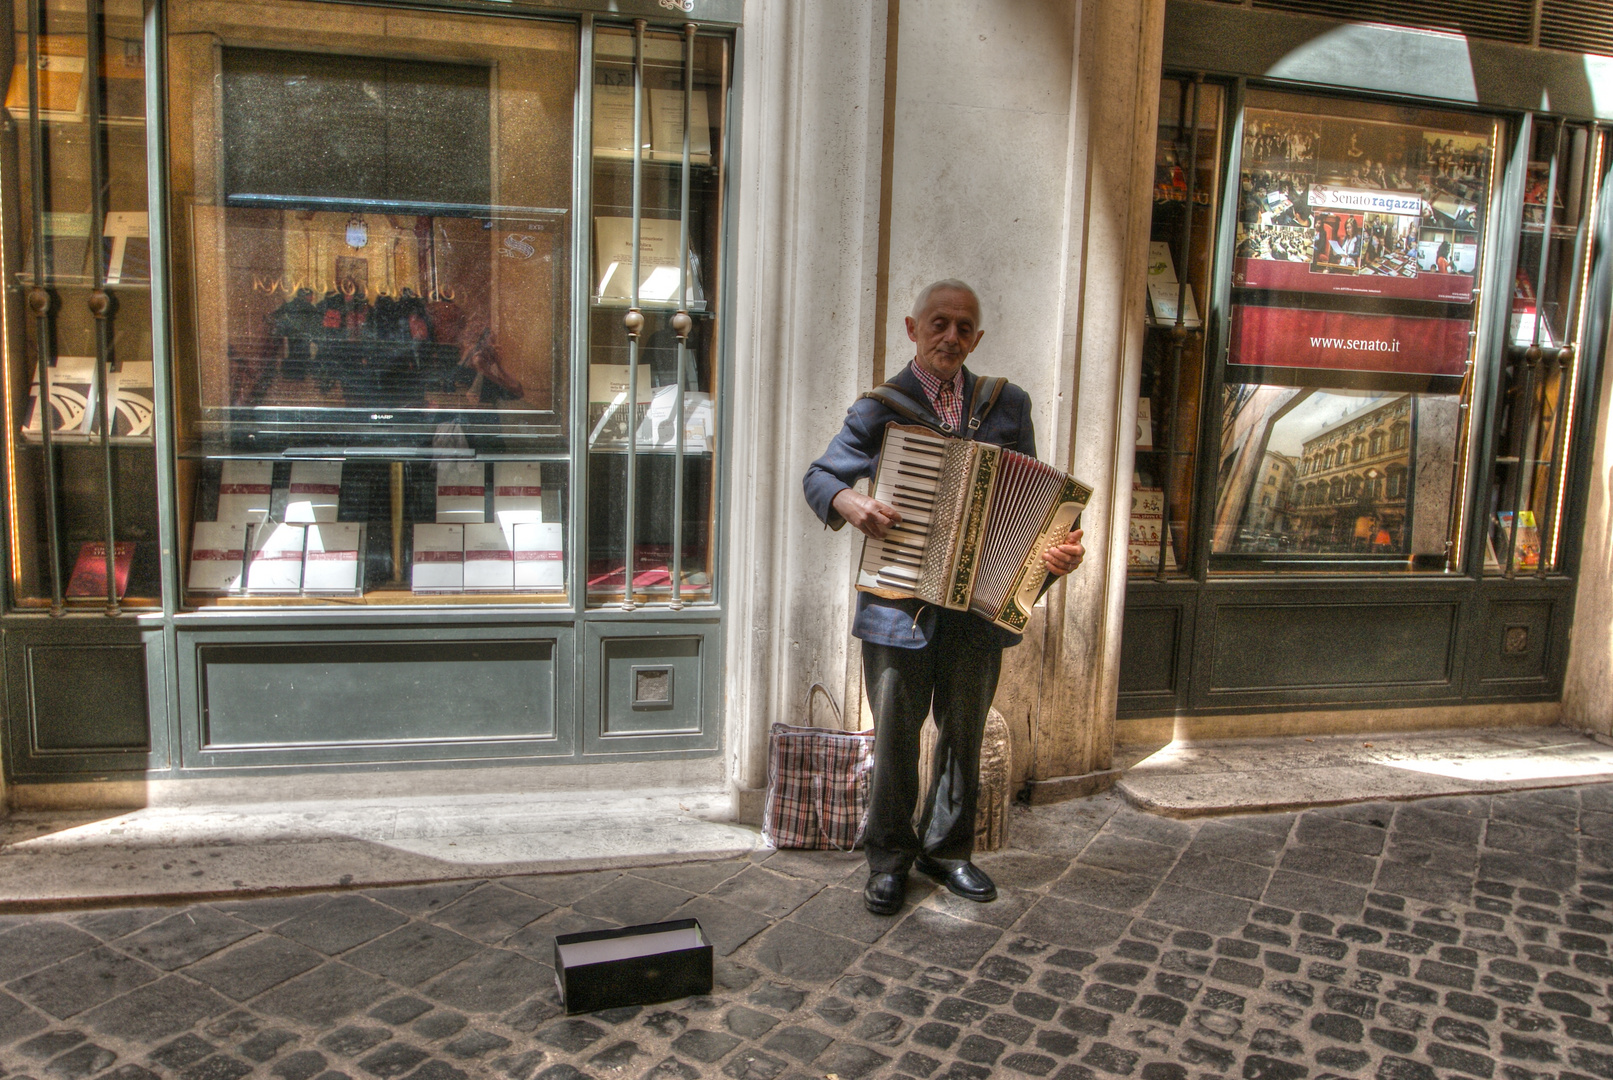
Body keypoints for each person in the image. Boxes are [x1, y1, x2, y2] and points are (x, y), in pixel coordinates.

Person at [802, 280, 1085, 916]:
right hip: (898, 608)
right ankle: (890, 858)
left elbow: (1037, 510)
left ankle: (948, 850)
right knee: (898, 736)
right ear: (912, 328)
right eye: (938, 324)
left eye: (963, 327)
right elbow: (821, 475)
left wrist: (1059, 556)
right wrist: (850, 501)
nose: (950, 337)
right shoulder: (882, 407)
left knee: (963, 731)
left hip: (980, 611)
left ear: (976, 338)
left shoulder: (1008, 405)